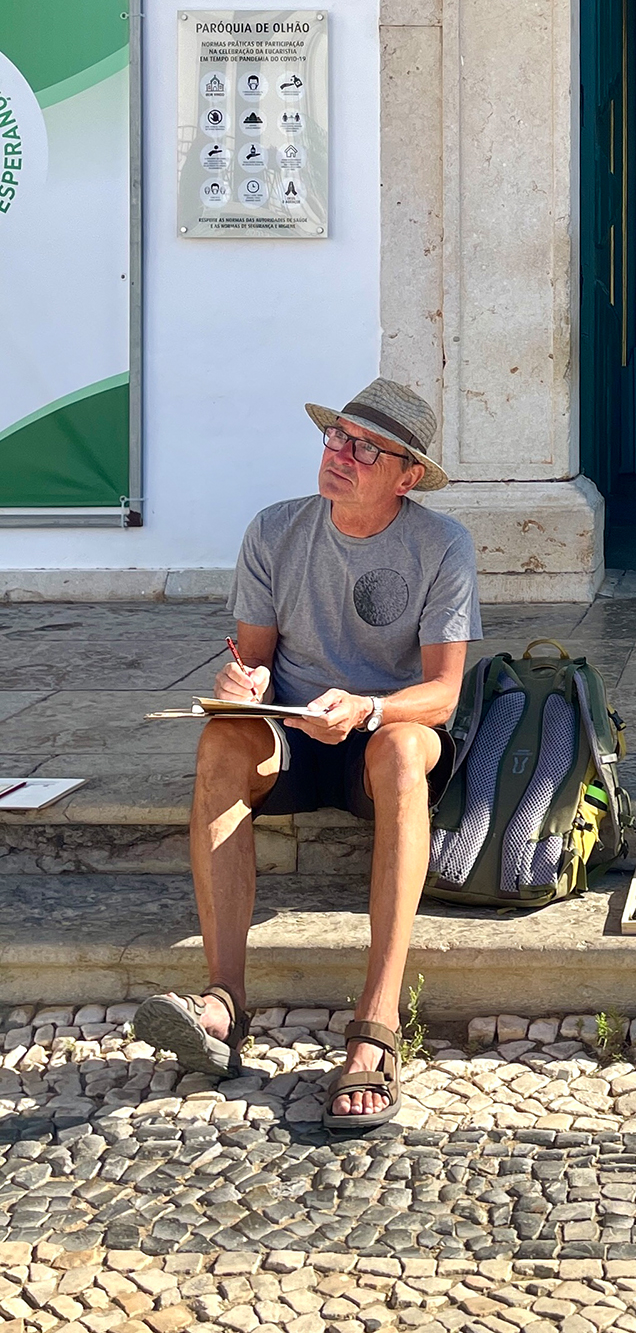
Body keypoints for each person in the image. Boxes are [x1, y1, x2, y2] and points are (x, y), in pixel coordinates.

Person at [132, 379, 480, 1131]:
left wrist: (369, 707)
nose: (339, 456)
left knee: (397, 750)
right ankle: (223, 1003)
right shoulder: (275, 530)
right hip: (292, 730)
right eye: (334, 438)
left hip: (384, 730)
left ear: (406, 475)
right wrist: (242, 680)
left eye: (364, 448)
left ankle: (377, 1025)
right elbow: (253, 661)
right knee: (222, 737)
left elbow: (445, 693)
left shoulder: (441, 543)